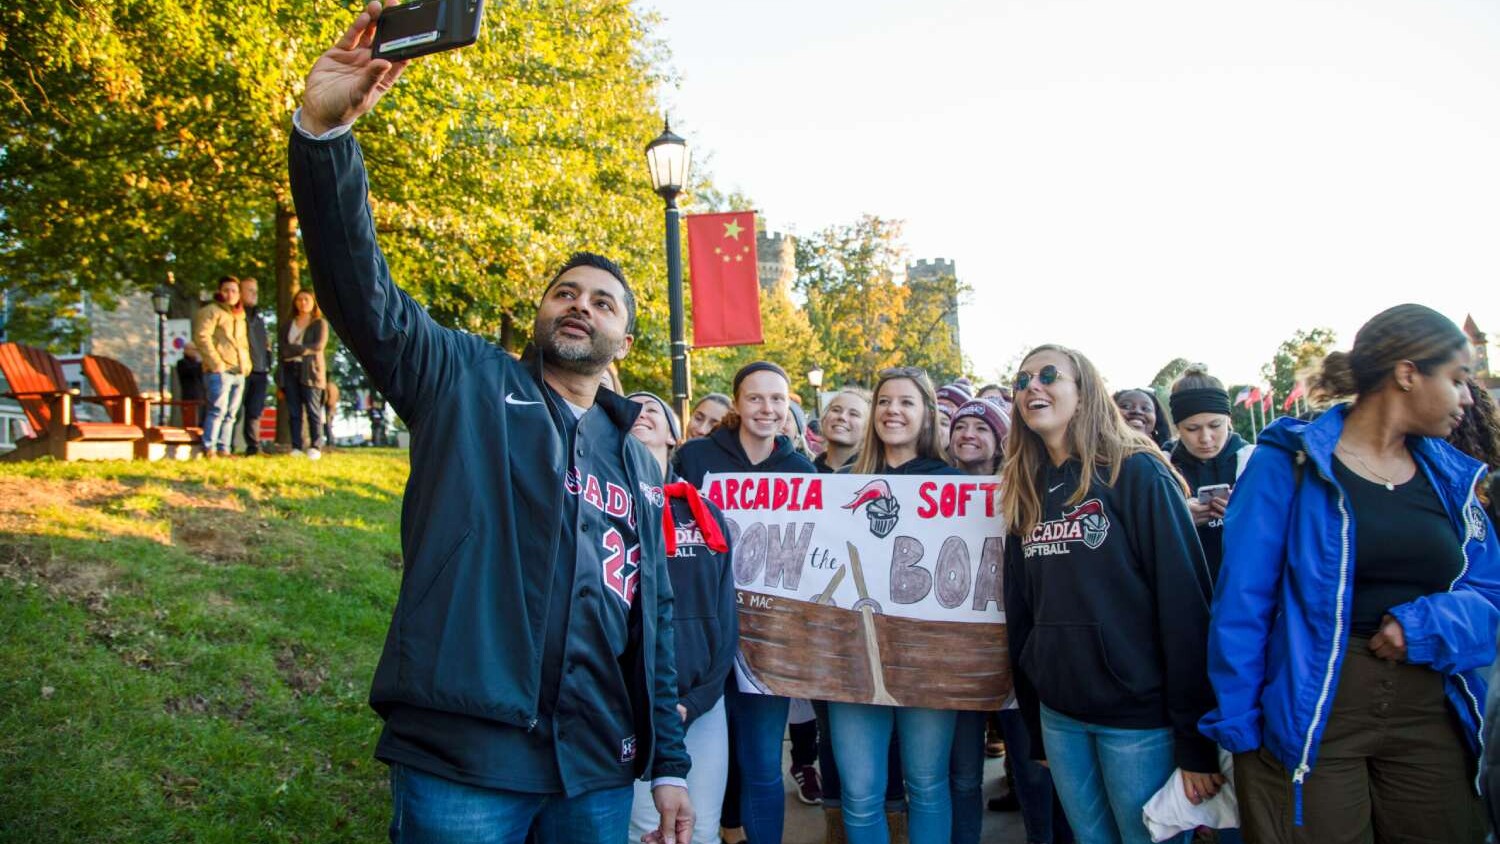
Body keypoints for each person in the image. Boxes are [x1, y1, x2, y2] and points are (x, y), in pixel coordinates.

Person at [289, 8, 692, 843]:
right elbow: (362, 292)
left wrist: (671, 763)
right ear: (540, 313)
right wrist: (324, 138)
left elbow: (649, 625)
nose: (581, 304)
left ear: (623, 337)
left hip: (596, 769)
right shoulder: (463, 381)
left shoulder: (639, 463)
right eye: (565, 293)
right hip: (464, 763)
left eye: (603, 301)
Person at [1201, 304, 1499, 843]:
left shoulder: (1453, 478)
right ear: (1407, 374)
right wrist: (1242, 728)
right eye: (1458, 380)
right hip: (1308, 715)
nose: (1468, 398)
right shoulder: (1286, 463)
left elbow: (1489, 589)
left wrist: (1430, 626)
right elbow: (1242, 603)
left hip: (1430, 711)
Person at [1002, 345, 1221, 844]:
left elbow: (1186, 606)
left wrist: (1196, 743)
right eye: (1022, 380)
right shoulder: (1024, 488)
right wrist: (1036, 722)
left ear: (1084, 393)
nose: (1032, 386)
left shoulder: (1137, 473)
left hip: (1139, 721)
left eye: (1050, 375)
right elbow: (1023, 615)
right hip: (1061, 719)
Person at [673, 360, 816, 844]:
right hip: (704, 632)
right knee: (703, 760)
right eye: (755, 397)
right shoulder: (694, 459)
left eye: (777, 399)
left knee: (759, 763)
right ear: (737, 404)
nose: (766, 408)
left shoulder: (801, 469)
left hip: (768, 640)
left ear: (788, 405)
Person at [829, 366, 964, 844]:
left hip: (927, 659)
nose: (893, 410)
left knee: (927, 786)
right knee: (860, 793)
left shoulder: (955, 484)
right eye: (885, 401)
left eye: (907, 402)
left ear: (927, 415)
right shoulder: (843, 483)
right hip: (853, 656)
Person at [626, 391, 738, 844]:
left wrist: (697, 700)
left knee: (702, 830)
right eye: (630, 408)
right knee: (645, 832)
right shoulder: (602, 506)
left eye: (653, 408)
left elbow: (724, 615)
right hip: (632, 704)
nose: (642, 413)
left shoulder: (706, 513)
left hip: (703, 704)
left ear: (675, 436)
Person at [1166, 366, 1254, 584]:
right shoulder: (1161, 465)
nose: (1206, 438)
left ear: (1229, 420)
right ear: (1177, 427)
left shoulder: (1254, 460)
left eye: (1215, 425)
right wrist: (1178, 517)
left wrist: (1244, 513)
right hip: (1187, 587)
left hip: (1245, 587)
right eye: (1192, 428)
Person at [192, 275, 251, 458]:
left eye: (234, 290)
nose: (230, 294)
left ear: (239, 293)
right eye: (226, 290)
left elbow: (242, 343)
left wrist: (246, 364)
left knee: (231, 414)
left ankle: (224, 448)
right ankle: (209, 447)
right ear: (219, 291)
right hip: (220, 370)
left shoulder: (239, 316)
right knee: (217, 409)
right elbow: (202, 336)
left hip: (238, 370)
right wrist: (216, 362)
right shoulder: (211, 311)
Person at [281, 289, 329, 459]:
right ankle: (296, 446)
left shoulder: (319, 323)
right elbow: (283, 350)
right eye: (299, 299)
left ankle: (316, 445)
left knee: (313, 409)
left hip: (311, 371)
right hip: (290, 370)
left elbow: (318, 346)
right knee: (294, 411)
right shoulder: (288, 324)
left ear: (313, 302)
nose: (303, 303)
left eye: (306, 299)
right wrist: (303, 349)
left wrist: (297, 349)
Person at [238, 277, 273, 456]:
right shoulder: (236, 316)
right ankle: (224, 446)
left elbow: (264, 343)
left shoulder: (258, 318)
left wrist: (268, 361)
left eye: (255, 290)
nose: (254, 294)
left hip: (260, 370)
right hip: (241, 369)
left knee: (255, 410)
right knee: (235, 409)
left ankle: (253, 446)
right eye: (250, 290)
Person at [814, 388, 871, 473]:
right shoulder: (804, 472)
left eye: (853, 414)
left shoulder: (875, 474)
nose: (842, 417)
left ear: (867, 428)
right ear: (824, 418)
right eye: (836, 410)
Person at [176, 342, 205, 427]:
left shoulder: (199, 364)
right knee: (190, 421)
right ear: (186, 350)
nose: (196, 352)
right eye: (194, 350)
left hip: (200, 395)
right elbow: (191, 371)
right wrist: (200, 362)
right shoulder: (182, 363)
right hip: (189, 396)